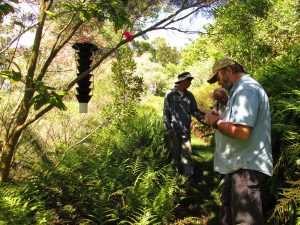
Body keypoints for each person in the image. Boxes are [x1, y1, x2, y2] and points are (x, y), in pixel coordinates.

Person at [204, 57, 273, 225]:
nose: (219, 83)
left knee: (245, 220)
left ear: (228, 71)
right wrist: (221, 118)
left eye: (218, 77)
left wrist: (215, 122)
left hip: (245, 168)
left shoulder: (246, 90)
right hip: (239, 166)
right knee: (228, 214)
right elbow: (239, 123)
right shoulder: (239, 91)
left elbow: (242, 132)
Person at [163, 72, 205, 181]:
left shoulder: (189, 95)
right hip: (173, 130)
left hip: (185, 130)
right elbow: (166, 113)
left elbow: (194, 111)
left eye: (190, 80)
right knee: (175, 155)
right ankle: (174, 179)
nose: (190, 82)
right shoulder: (170, 95)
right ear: (182, 81)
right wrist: (167, 128)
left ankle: (188, 179)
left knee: (187, 154)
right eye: (188, 80)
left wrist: (205, 121)